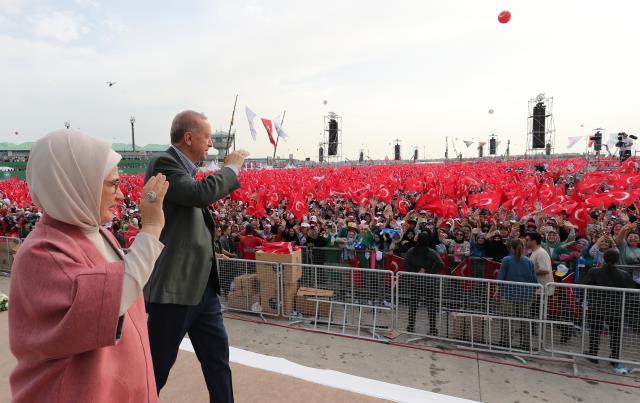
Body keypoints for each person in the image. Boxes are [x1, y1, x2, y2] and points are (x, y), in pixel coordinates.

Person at [9, 130, 168, 402]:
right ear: (77, 184)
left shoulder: (95, 232)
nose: (120, 196)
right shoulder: (43, 251)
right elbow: (109, 301)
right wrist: (151, 229)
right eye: (112, 184)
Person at [144, 110, 249, 402]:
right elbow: (198, 194)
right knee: (156, 368)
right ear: (188, 138)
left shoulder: (185, 171)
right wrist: (231, 169)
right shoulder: (163, 163)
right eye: (207, 138)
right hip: (175, 290)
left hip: (203, 289)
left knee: (217, 361)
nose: (211, 146)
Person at [581, 250, 637, 373]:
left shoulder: (594, 271)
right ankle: (614, 357)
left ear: (603, 258)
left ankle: (593, 354)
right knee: (616, 334)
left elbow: (585, 286)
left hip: (597, 307)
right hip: (616, 309)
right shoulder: (624, 274)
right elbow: (631, 291)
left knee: (595, 331)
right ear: (617, 260)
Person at [496, 239, 538, 350]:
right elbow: (534, 280)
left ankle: (506, 342)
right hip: (526, 295)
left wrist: (497, 291)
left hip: (509, 294)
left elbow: (501, 277)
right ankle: (525, 344)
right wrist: (534, 294)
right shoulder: (529, 261)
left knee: (507, 319)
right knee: (525, 321)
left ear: (511, 248)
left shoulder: (506, 260)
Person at [403, 232, 444, 335]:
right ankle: (433, 329)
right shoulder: (431, 252)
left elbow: (405, 264)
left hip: (416, 282)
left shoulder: (412, 251)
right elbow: (440, 264)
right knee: (430, 306)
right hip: (428, 282)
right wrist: (428, 271)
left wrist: (417, 271)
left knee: (413, 305)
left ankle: (411, 326)